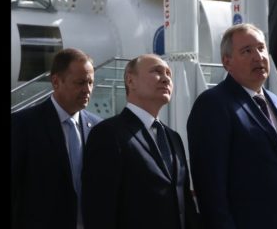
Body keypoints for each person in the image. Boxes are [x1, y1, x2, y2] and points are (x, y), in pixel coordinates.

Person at [187, 23, 277, 229]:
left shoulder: (273, 101)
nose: (258, 56)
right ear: (227, 62)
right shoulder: (213, 104)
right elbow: (211, 188)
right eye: (247, 51)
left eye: (261, 48)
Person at [82, 54, 199, 229]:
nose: (166, 78)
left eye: (168, 73)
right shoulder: (108, 133)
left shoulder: (173, 137)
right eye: (157, 71)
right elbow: (99, 208)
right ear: (131, 81)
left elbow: (184, 202)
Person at [11, 48, 102, 229]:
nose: (87, 89)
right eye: (80, 82)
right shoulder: (23, 125)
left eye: (91, 82)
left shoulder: (99, 128)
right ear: (56, 81)